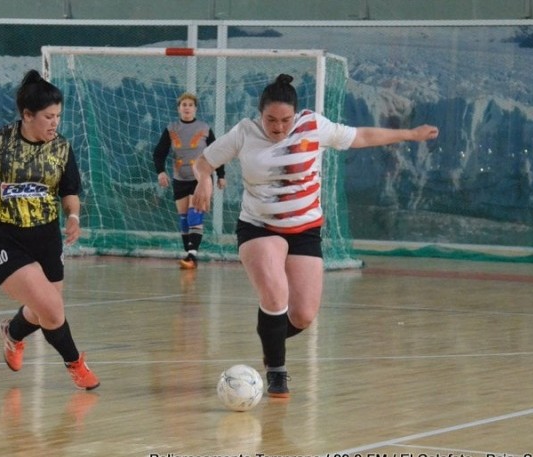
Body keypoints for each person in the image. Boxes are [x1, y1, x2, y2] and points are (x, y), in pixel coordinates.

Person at [191, 74, 439, 398]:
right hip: (259, 226)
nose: (278, 128)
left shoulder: (313, 126)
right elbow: (202, 162)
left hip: (305, 229)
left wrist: (409, 134)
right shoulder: (244, 132)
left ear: (295, 114)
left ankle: (270, 337)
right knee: (276, 294)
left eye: (285, 120)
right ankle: (277, 372)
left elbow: (361, 135)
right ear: (259, 114)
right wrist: (203, 180)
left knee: (303, 315)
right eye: (271, 120)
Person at [0, 69, 99, 390]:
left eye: (58, 116)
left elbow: (70, 192)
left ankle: (12, 333)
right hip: (4, 239)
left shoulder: (62, 149)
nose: (55, 123)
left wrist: (74, 217)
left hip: (45, 238)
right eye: (48, 116)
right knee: (53, 310)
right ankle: (76, 363)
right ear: (27, 115)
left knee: (44, 311)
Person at [153, 92, 226, 269]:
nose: (187, 107)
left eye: (190, 105)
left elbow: (216, 152)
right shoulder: (172, 128)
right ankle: (189, 256)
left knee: (195, 214)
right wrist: (161, 172)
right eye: (183, 104)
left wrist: (221, 175)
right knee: (184, 218)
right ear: (178, 108)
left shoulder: (204, 128)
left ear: (195, 109)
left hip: (199, 179)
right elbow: (159, 153)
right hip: (180, 178)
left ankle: (192, 254)